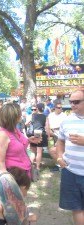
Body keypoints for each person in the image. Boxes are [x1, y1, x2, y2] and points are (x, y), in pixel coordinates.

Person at [56, 89, 84, 225]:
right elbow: (60, 141)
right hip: (70, 172)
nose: (72, 105)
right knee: (76, 208)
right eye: (71, 101)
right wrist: (60, 157)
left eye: (76, 102)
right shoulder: (66, 121)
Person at [0, 103, 41, 179]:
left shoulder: (15, 129)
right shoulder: (2, 135)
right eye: (19, 113)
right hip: (14, 176)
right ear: (13, 117)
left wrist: (29, 140)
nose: (22, 114)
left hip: (24, 172)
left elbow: (20, 146)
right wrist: (6, 181)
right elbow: (0, 162)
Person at [29, 103, 50, 172]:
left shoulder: (33, 116)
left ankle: (30, 166)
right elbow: (47, 128)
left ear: (37, 108)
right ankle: (37, 167)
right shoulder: (45, 117)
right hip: (41, 133)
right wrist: (48, 136)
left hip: (34, 134)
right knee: (39, 152)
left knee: (33, 151)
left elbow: (28, 123)